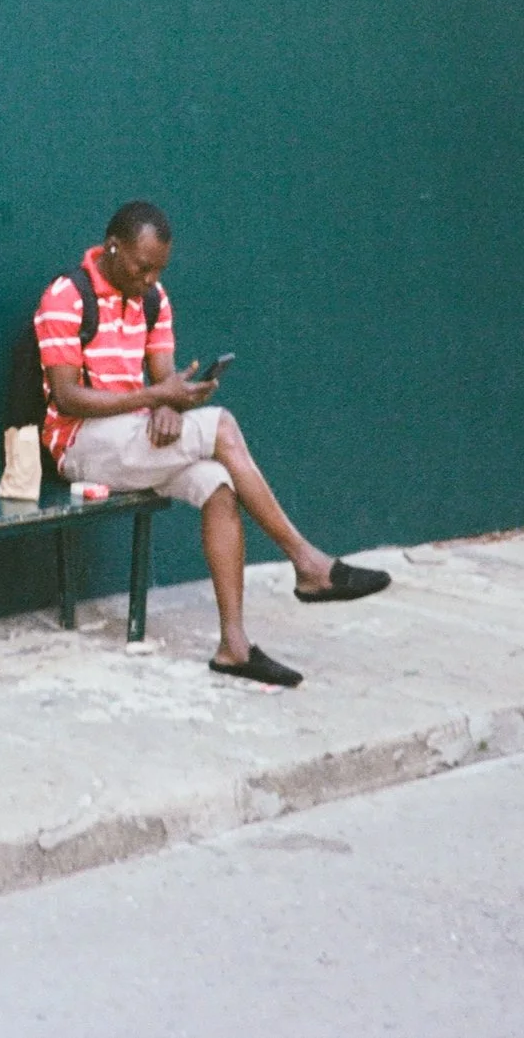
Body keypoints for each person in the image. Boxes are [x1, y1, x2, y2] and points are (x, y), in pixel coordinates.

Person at [38, 201, 389, 687]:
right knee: (221, 426)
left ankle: (234, 647)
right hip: (79, 447)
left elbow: (164, 380)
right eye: (142, 267)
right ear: (113, 247)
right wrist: (157, 396)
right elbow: (66, 395)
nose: (149, 278)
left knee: (218, 483)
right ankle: (308, 564)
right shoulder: (66, 296)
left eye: (159, 268)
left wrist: (171, 402)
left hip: (133, 439)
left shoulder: (154, 298)